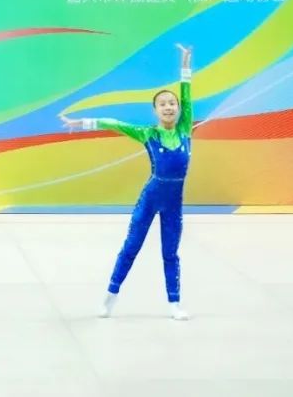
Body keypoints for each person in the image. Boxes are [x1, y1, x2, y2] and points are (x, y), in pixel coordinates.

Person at [60, 44, 194, 321]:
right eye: (163, 104)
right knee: (132, 247)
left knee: (170, 253)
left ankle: (174, 303)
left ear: (179, 110)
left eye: (172, 103)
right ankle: (110, 296)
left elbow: (187, 96)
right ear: (155, 111)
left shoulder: (185, 130)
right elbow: (114, 123)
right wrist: (81, 123)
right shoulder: (147, 134)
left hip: (174, 204)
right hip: (150, 199)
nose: (169, 107)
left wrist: (185, 67)